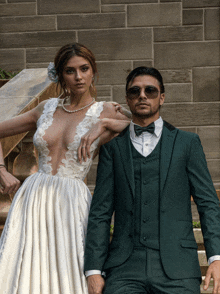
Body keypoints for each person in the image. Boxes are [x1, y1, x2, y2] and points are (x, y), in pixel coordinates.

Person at [0, 43, 130, 294]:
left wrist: (102, 123)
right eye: (70, 71)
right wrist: (2, 170)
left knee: (70, 268)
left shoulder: (105, 109)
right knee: (25, 268)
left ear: (93, 72)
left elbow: (145, 127)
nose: (78, 76)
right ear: (60, 75)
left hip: (71, 200)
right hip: (33, 197)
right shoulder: (45, 108)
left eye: (84, 69)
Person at [84, 66, 220, 294]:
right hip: (124, 268)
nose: (142, 96)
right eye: (135, 91)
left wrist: (216, 256)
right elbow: (100, 211)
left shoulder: (187, 143)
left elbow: (207, 203)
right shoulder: (112, 149)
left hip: (178, 268)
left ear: (162, 97)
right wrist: (94, 270)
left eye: (150, 90)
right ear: (127, 99)